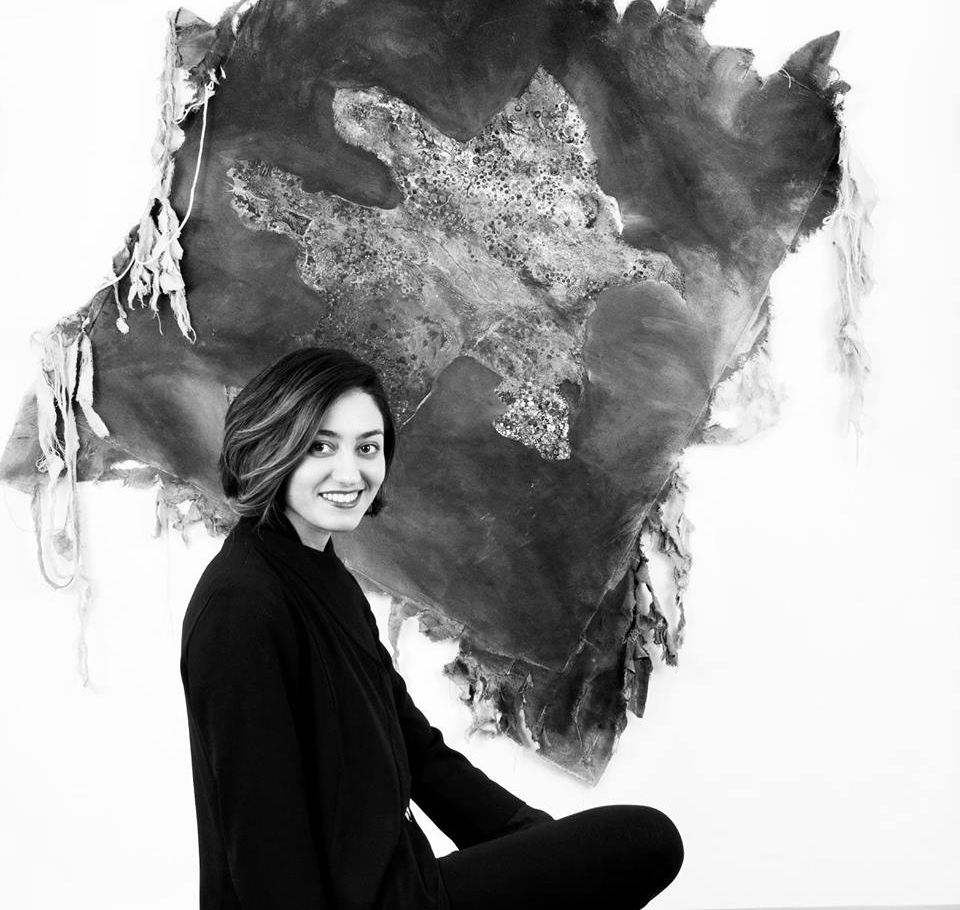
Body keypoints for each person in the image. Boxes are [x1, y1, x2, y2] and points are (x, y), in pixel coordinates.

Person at [180, 347, 683, 910]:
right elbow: (263, 840)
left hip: (405, 887)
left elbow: (418, 752)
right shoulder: (241, 604)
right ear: (270, 445)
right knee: (646, 840)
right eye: (321, 445)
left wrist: (535, 841)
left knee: (621, 854)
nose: (351, 473)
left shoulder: (320, 572)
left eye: (367, 447)